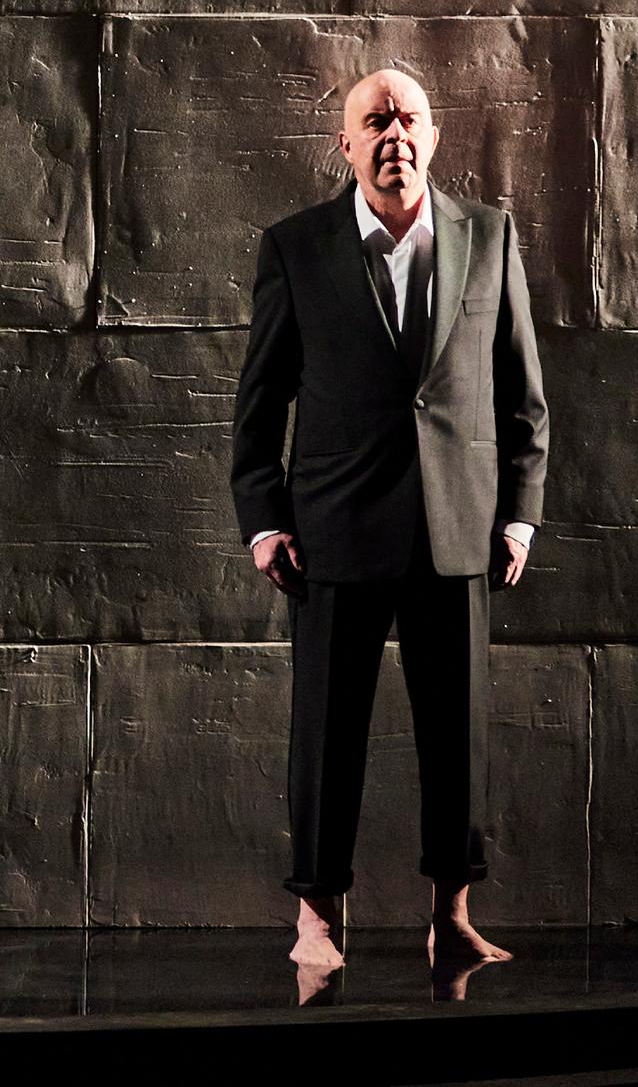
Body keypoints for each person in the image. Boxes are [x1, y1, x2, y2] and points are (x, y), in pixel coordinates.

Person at [229, 67, 550, 981]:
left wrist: (519, 517)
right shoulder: (296, 247)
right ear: (346, 144)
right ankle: (316, 922)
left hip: (459, 531)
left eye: (409, 118)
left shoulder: (488, 238)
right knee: (325, 737)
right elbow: (258, 409)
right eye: (375, 121)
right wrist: (263, 521)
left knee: (460, 735)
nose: (394, 134)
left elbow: (524, 400)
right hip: (332, 532)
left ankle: (451, 918)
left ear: (434, 137)